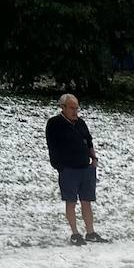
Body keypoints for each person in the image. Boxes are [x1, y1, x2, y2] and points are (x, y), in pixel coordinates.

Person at [45, 94, 106, 245]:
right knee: (71, 202)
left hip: (86, 168)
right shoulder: (54, 124)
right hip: (68, 170)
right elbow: (52, 146)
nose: (75, 111)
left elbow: (89, 141)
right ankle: (75, 234)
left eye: (76, 108)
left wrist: (94, 159)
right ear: (63, 107)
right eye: (72, 108)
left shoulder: (81, 123)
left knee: (87, 201)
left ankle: (90, 232)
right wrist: (60, 166)